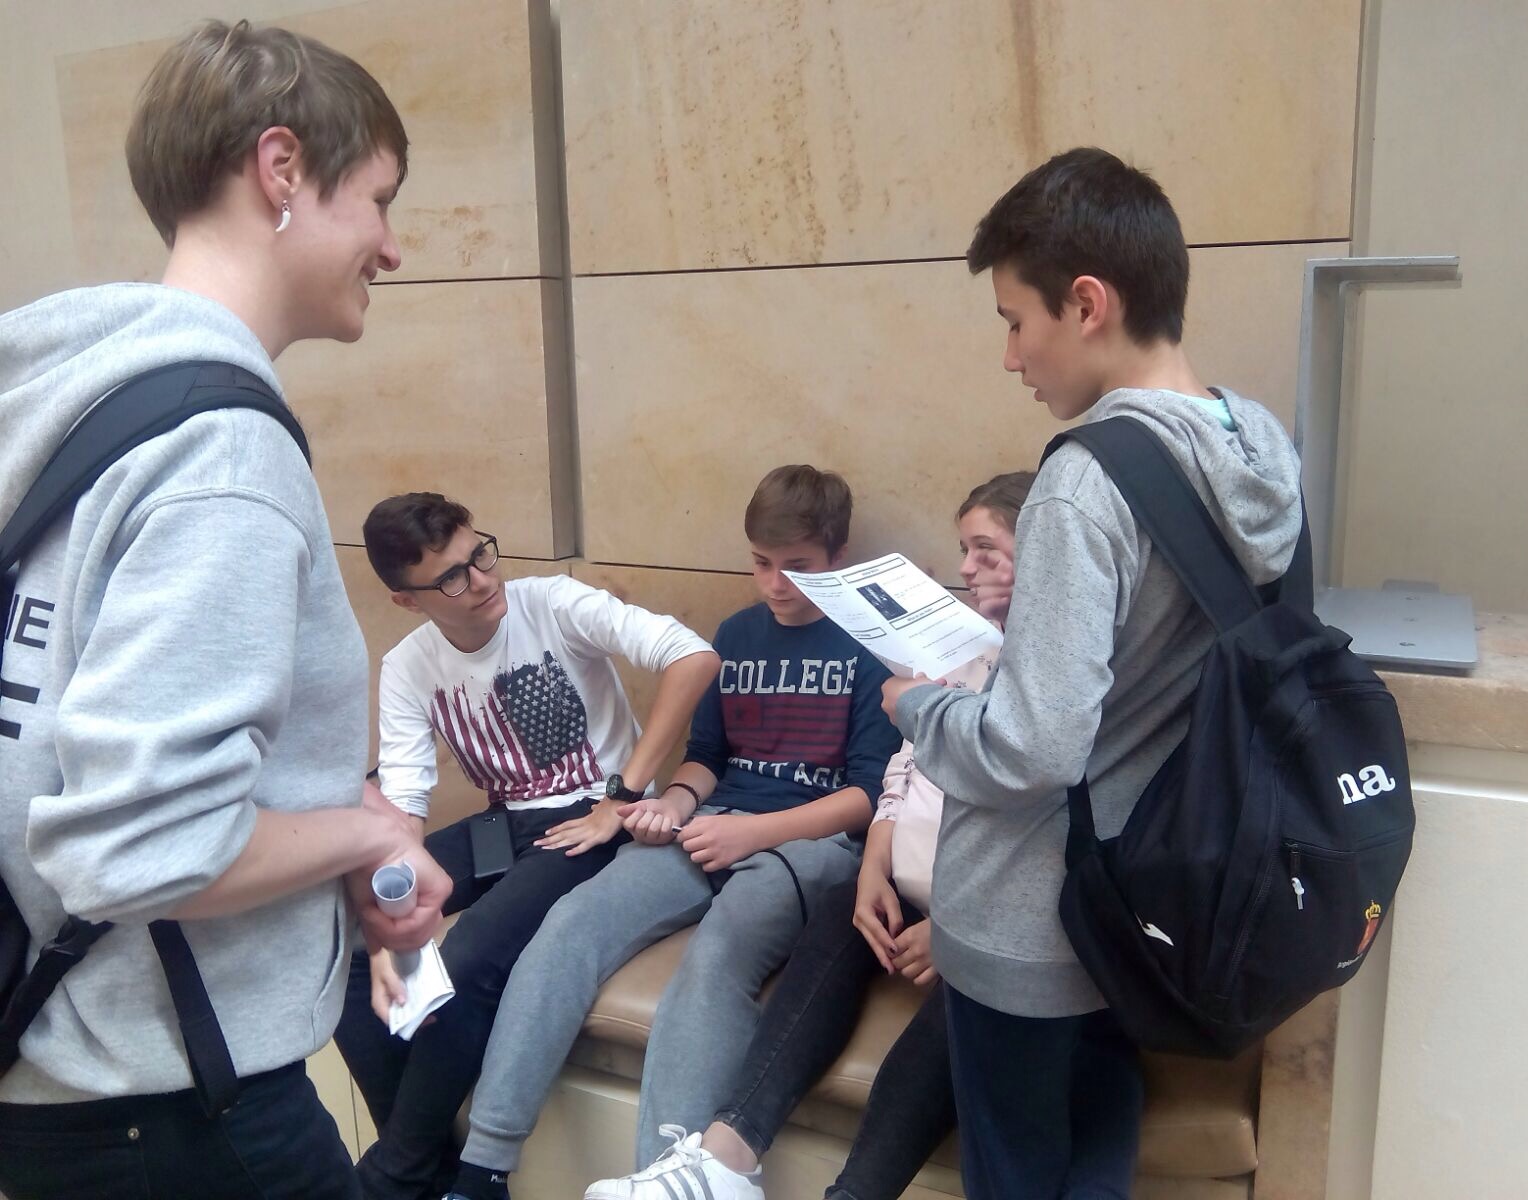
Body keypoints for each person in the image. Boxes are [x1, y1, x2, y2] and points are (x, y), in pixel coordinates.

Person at [0, 19, 452, 1200]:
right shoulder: (221, 453)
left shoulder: (70, 402)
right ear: (282, 168)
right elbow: (135, 846)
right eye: (380, 199)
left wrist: (332, 813)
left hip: (58, 1085)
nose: (391, 247)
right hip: (175, 1117)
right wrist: (368, 835)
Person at [881, 147, 1304, 1200]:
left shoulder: (1083, 485)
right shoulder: (1258, 444)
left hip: (1035, 909)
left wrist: (920, 708)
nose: (1010, 357)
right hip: (1154, 894)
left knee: (1016, 1169)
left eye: (1014, 321)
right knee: (1101, 1129)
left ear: (1086, 303)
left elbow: (1032, 747)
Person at [443, 465, 903, 1200]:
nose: (776, 585)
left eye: (798, 567)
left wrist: (755, 837)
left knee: (715, 957)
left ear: (836, 558)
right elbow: (707, 757)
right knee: (571, 922)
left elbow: (870, 796)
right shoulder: (736, 634)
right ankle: (484, 1165)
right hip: (709, 825)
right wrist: (677, 803)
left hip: (808, 848)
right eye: (761, 563)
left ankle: (668, 1179)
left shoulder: (870, 651)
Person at [583, 471, 1035, 1200]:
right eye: (963, 549)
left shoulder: (1059, 674)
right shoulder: (956, 644)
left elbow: (1041, 827)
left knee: (970, 1002)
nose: (965, 568)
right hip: (899, 879)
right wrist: (874, 865)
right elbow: (901, 771)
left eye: (986, 551)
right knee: (835, 922)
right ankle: (723, 1159)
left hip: (985, 912)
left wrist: (957, 924)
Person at [335, 491, 719, 1200]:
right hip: (503, 825)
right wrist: (393, 918)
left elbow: (693, 656)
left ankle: (395, 1174)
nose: (483, 580)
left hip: (590, 819)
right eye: (452, 577)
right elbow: (404, 807)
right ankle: (424, 1166)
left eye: (480, 553)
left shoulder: (552, 602)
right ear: (407, 600)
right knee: (352, 940)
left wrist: (622, 796)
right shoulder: (408, 665)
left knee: (469, 955)